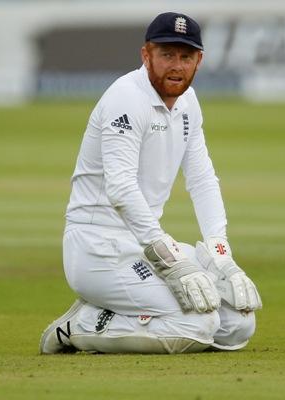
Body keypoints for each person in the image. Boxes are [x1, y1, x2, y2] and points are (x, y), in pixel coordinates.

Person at [39, 12, 262, 355]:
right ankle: (79, 325)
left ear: (198, 61)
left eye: (185, 57)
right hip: (99, 249)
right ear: (146, 55)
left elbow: (202, 179)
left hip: (145, 246)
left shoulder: (188, 103)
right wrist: (169, 259)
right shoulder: (126, 98)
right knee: (199, 325)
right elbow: (121, 188)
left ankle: (111, 313)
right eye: (167, 55)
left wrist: (221, 255)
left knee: (237, 324)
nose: (176, 65)